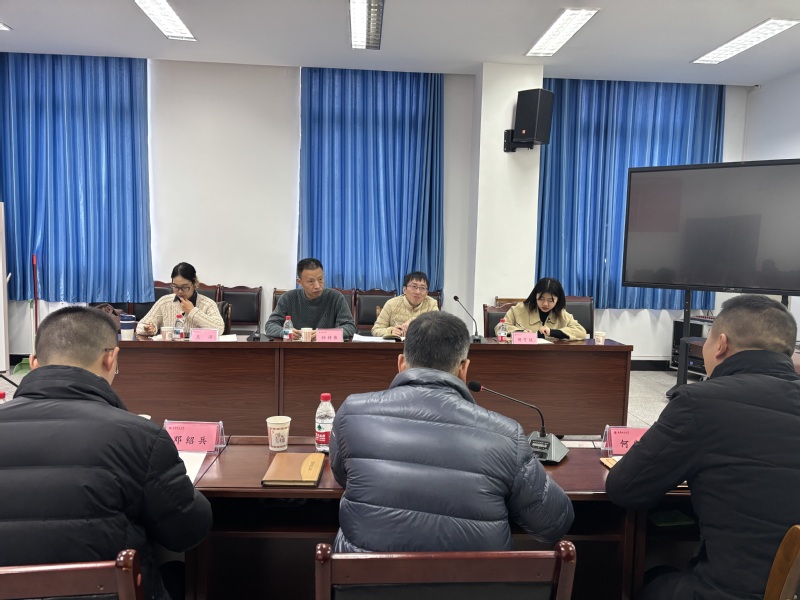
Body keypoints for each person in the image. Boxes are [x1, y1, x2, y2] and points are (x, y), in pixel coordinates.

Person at [0, 306, 212, 600]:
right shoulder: (139, 437)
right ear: (111, 358)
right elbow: (187, 532)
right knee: (177, 572)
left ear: (34, 362)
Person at [605, 295, 800, 600]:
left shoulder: (700, 401)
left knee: (652, 576)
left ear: (720, 344)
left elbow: (625, 488)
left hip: (727, 592)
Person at [330, 311, 574, 553]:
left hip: (363, 577)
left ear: (401, 364)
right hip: (476, 578)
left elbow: (344, 476)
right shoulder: (507, 435)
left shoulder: (352, 413)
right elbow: (554, 523)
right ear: (463, 369)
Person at [265, 258, 356, 340]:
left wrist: (323, 335)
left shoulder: (335, 297)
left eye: (320, 279)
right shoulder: (288, 298)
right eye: (311, 281)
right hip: (296, 349)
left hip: (327, 349)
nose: (317, 286)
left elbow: (350, 327)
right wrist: (287, 333)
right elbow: (270, 325)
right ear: (300, 282)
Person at [137, 262, 225, 337]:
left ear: (194, 283)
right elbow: (140, 326)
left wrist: (192, 311)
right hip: (171, 350)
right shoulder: (164, 302)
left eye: (184, 287)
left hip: (198, 350)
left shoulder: (207, 304)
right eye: (175, 286)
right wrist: (150, 329)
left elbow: (220, 329)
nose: (179, 291)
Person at [498, 277, 586, 339]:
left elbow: (581, 332)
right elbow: (499, 327)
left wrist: (552, 332)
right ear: (535, 296)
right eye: (541, 299)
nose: (545, 304)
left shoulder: (562, 314)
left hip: (552, 356)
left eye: (550, 300)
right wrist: (520, 332)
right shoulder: (519, 310)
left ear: (558, 300)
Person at [371, 271, 439, 337]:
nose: (418, 292)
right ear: (404, 289)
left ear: (426, 293)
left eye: (422, 288)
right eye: (414, 286)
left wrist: (414, 321)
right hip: (397, 344)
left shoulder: (432, 304)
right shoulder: (391, 304)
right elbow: (375, 330)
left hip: (421, 344)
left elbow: (438, 329)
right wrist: (391, 331)